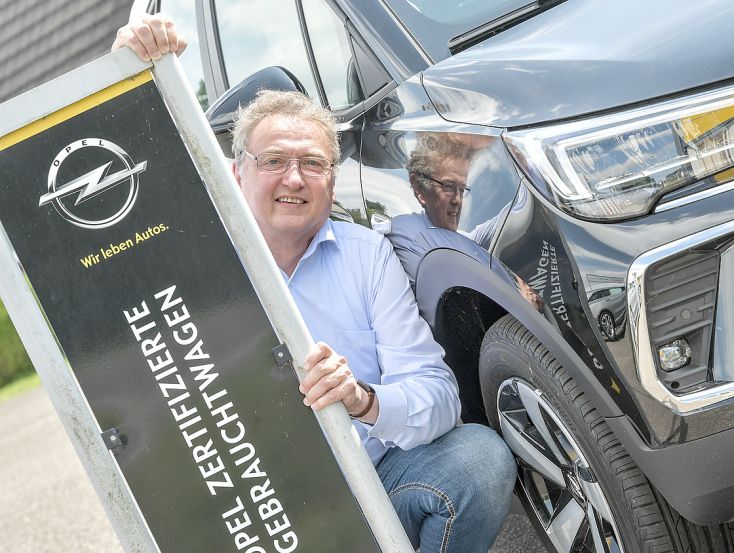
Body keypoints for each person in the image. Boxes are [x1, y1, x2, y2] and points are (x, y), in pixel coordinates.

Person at [113, 15, 516, 553]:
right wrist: (125, 66)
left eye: (313, 163)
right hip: (252, 518)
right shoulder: (188, 264)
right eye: (274, 161)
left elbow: (439, 396)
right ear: (237, 175)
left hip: (371, 485)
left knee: (477, 459)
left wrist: (363, 400)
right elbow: (111, 197)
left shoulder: (368, 255)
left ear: (333, 177)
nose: (295, 178)